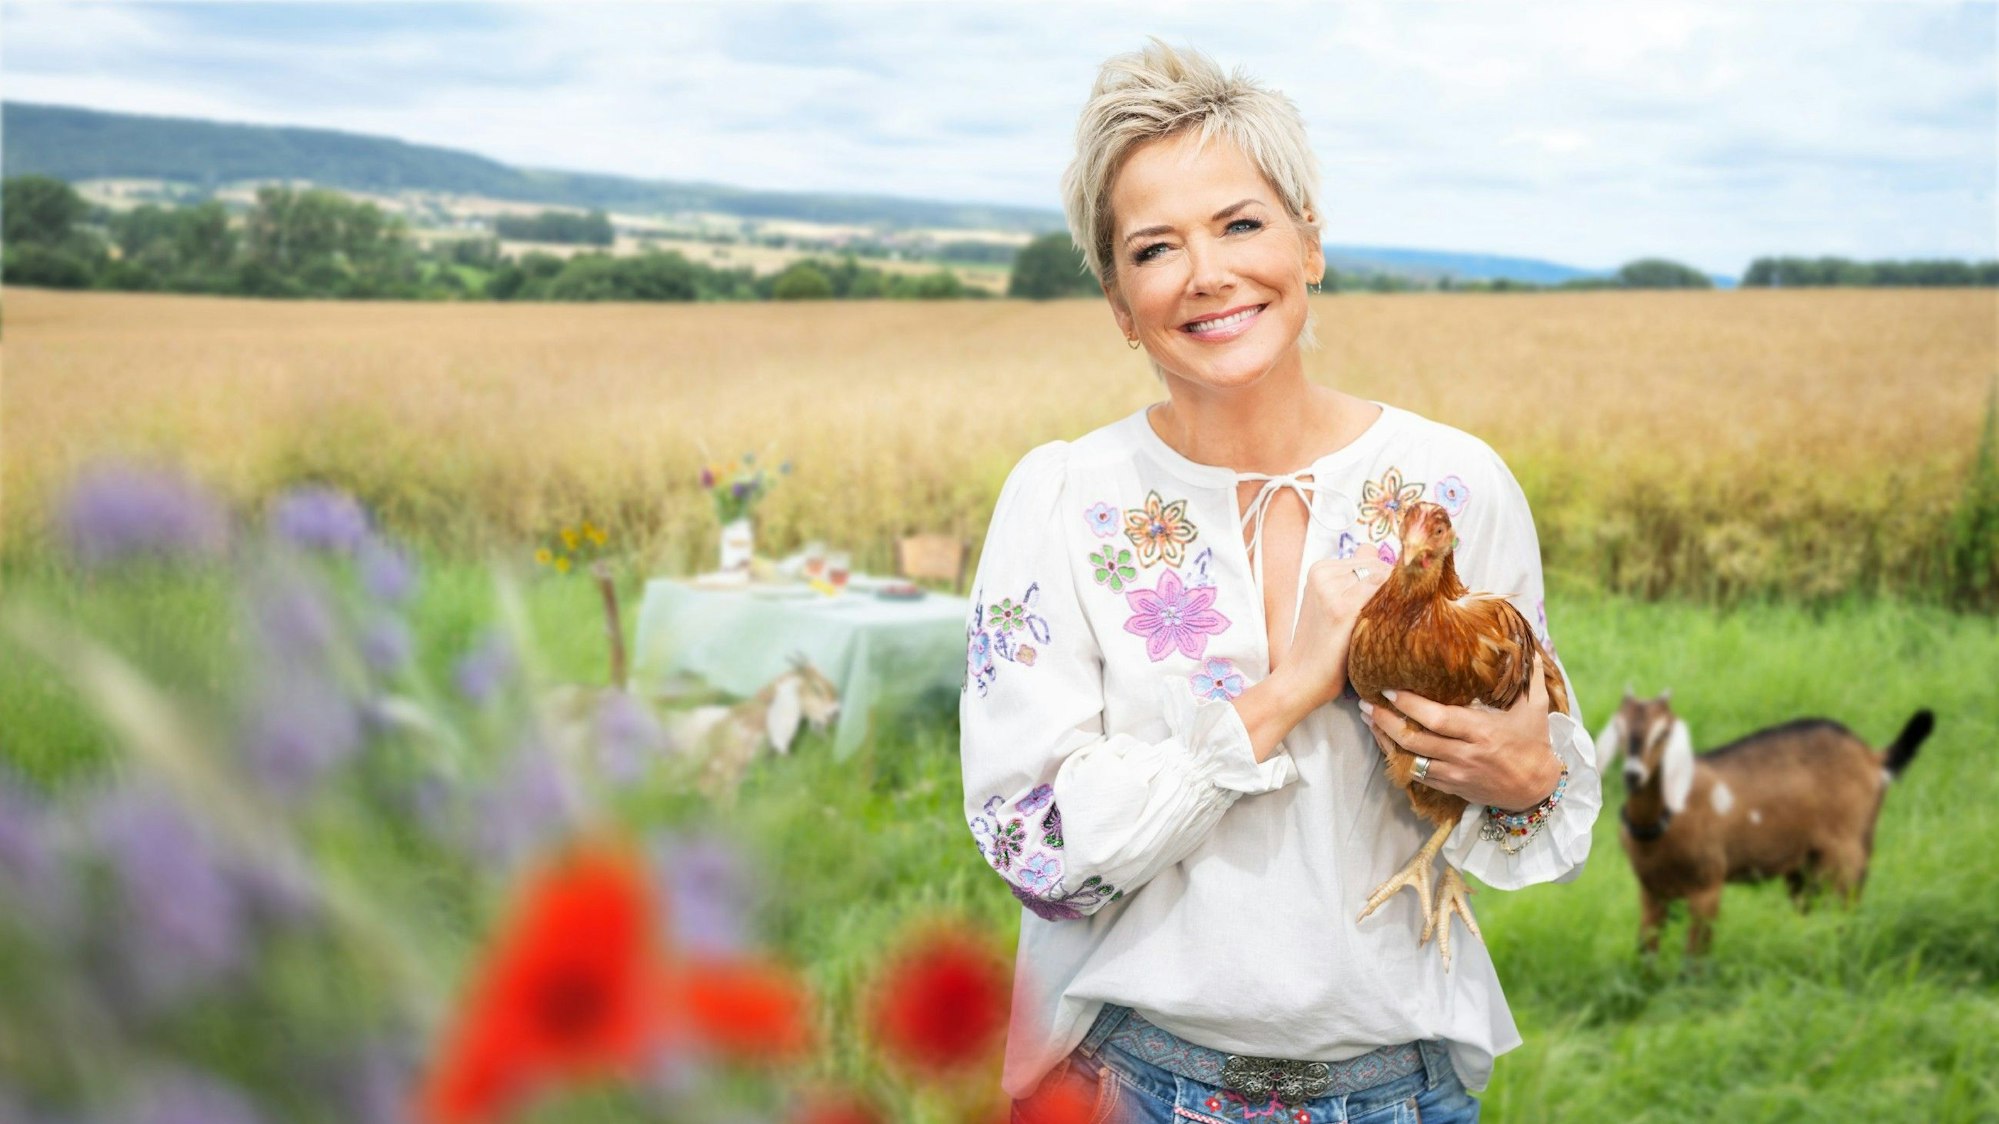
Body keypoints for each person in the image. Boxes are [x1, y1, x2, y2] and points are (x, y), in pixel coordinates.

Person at [960, 38, 1603, 1124]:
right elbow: (1037, 850)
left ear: (1310, 243)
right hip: (1124, 1085)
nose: (1207, 272)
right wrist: (1289, 686)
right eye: (1155, 247)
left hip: (1405, 1089)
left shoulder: (1453, 485)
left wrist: (1526, 774)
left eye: (1242, 223)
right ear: (1120, 302)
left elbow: (1540, 793)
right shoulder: (1065, 499)